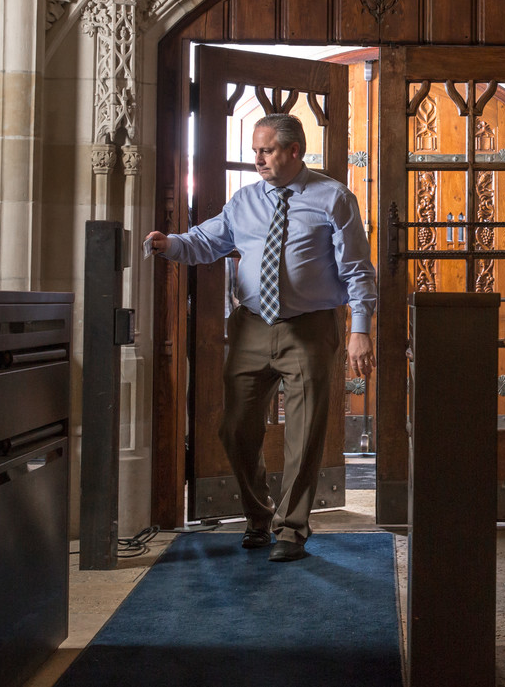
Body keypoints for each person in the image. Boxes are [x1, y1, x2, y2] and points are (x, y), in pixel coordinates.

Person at [146, 113, 377, 562]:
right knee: (234, 428)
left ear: (294, 151)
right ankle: (258, 513)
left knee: (305, 432)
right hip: (251, 325)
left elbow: (357, 271)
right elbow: (206, 242)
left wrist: (360, 330)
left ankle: (291, 529)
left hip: (309, 328)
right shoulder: (244, 201)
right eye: (255, 151)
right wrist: (169, 244)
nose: (258, 159)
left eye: (266, 150)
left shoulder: (334, 199)